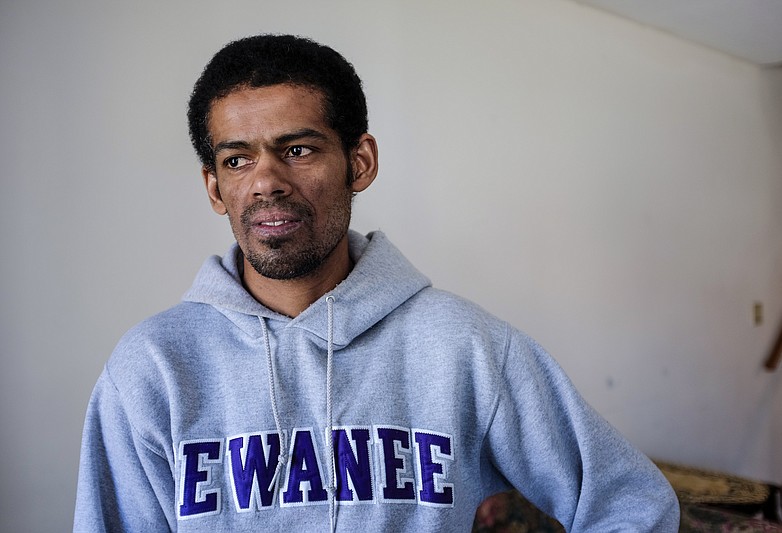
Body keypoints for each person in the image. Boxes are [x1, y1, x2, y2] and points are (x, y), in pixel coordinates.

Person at [74, 34, 679, 532]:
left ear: (359, 163)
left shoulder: (467, 349)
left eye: (299, 149)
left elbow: (633, 506)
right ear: (214, 188)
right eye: (237, 160)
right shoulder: (150, 368)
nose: (266, 182)